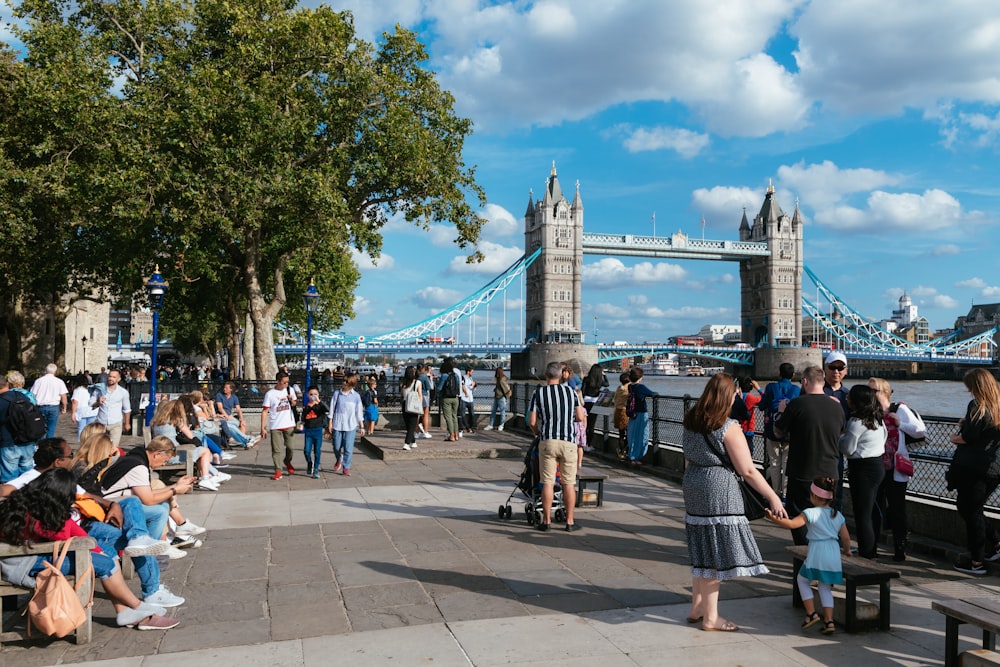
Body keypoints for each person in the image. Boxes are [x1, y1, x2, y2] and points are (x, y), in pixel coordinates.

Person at [0, 468, 180, 630]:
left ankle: (126, 611)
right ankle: (136, 607)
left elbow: (71, 529)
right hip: (21, 564)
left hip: (34, 554)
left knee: (104, 555)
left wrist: (95, 548)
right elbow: (63, 536)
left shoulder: (34, 503)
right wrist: (93, 550)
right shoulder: (34, 514)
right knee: (104, 562)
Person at [682, 372, 785, 632]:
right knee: (715, 555)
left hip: (693, 481)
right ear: (729, 396)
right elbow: (748, 470)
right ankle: (711, 617)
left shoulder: (691, 420)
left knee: (702, 548)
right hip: (718, 487)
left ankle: (696, 608)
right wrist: (773, 496)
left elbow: (687, 458)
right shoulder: (728, 427)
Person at [765, 477, 851, 635]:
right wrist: (847, 550)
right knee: (825, 587)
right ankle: (829, 621)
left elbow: (792, 524)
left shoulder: (810, 513)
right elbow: (846, 538)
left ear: (815, 496)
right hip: (833, 552)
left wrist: (773, 518)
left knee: (802, 580)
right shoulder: (837, 514)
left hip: (817, 551)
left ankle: (811, 614)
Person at [774, 366, 846, 545]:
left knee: (798, 512)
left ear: (805, 382)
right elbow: (842, 432)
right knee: (826, 514)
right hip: (830, 471)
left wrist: (782, 411)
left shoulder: (797, 404)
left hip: (803, 471)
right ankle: (824, 551)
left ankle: (805, 552)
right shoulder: (837, 407)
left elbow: (778, 432)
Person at [948, 368, 1000, 575]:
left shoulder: (977, 405)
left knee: (970, 511)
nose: (968, 391)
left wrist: (954, 438)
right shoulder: (996, 406)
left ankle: (977, 562)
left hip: (973, 468)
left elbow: (968, 437)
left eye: (969, 386)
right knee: (972, 508)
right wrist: (967, 423)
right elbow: (985, 431)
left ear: (975, 386)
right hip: (994, 468)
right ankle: (995, 544)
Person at [869, 377, 925, 562]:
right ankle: (872, 546)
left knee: (897, 509)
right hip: (876, 468)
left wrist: (901, 423)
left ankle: (900, 548)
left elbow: (920, 431)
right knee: (875, 509)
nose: (870, 394)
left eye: (873, 390)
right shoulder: (871, 412)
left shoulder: (899, 408)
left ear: (884, 391)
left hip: (896, 469)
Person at [528, 361, 586, 532]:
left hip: (548, 441)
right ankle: (569, 521)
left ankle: (546, 521)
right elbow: (580, 417)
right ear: (562, 375)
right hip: (568, 442)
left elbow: (532, 421)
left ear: (546, 376)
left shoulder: (538, 393)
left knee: (547, 482)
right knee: (568, 483)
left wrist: (538, 432)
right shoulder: (571, 392)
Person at [838, 384, 886, 559]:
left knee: (862, 513)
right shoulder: (878, 419)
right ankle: (870, 548)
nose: (846, 398)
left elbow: (848, 449)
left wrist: (839, 437)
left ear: (857, 401)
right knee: (871, 509)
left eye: (849, 397)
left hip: (862, 469)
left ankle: (867, 553)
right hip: (877, 466)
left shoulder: (855, 422)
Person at [762, 362, 800, 498]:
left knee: (774, 463)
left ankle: (774, 494)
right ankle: (786, 495)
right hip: (790, 433)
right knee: (787, 464)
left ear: (779, 373)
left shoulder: (771, 387)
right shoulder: (796, 389)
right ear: (793, 375)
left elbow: (762, 405)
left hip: (772, 432)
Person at [823, 351, 850, 510]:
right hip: (817, 448)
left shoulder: (849, 396)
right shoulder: (816, 391)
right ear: (825, 368)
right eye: (832, 367)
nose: (836, 372)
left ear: (846, 371)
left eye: (840, 368)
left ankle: (836, 529)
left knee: (836, 490)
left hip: (836, 450)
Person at [0, 371, 39, 482]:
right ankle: (28, 496)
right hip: (27, 439)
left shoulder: (1, 401)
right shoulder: (23, 395)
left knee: (10, 477)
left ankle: (12, 497)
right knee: (27, 474)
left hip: (9, 443)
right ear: (7, 384)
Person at [261, 372, 297, 480]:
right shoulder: (270, 394)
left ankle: (287, 461)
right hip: (275, 424)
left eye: (287, 382)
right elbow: (265, 411)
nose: (286, 384)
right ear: (278, 381)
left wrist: (291, 400)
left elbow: (295, 403)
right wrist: (263, 427)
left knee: (291, 447)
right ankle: (278, 470)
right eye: (284, 382)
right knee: (276, 450)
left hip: (289, 423)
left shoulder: (290, 390)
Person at [328, 372, 363, 475]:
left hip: (350, 425)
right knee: (336, 446)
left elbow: (359, 411)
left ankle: (346, 466)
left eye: (346, 381)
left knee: (348, 448)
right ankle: (339, 458)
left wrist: (362, 426)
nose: (344, 383)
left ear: (351, 384)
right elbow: (331, 408)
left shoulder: (356, 396)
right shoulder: (337, 394)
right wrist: (330, 423)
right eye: (343, 380)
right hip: (338, 423)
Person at [215, 381, 259, 449]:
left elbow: (238, 409)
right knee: (230, 426)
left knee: (242, 424)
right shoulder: (219, 395)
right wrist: (227, 417)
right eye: (224, 387)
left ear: (231, 389)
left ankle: (244, 442)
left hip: (230, 416)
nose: (224, 389)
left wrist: (241, 419)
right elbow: (220, 408)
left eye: (226, 388)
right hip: (222, 416)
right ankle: (247, 440)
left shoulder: (234, 397)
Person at [94, 369, 132, 447]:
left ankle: (112, 459)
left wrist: (127, 423)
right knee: (100, 447)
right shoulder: (99, 390)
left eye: (114, 377)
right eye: (110, 376)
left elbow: (127, 409)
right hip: (101, 422)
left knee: (113, 447)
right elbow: (90, 403)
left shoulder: (123, 392)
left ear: (119, 379)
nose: (111, 378)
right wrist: (98, 402)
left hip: (116, 422)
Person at [625, 367, 655, 466]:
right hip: (641, 413)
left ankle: (631, 456)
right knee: (642, 435)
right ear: (640, 377)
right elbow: (652, 393)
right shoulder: (640, 387)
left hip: (633, 413)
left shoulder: (630, 387)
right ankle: (638, 457)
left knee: (632, 434)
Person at [30, 363, 68, 439]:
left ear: (45, 371)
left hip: (40, 407)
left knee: (40, 428)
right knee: (51, 428)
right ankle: (48, 445)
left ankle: (40, 445)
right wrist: (64, 408)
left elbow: (32, 394)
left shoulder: (39, 381)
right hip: (53, 407)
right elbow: (63, 396)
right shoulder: (59, 382)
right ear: (55, 371)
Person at [301, 386, 329, 478]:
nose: (313, 396)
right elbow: (304, 417)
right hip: (308, 431)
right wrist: (302, 424)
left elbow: (327, 409)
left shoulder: (320, 406)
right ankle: (309, 463)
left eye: (315, 394)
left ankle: (316, 469)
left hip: (318, 430)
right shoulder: (306, 406)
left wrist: (318, 401)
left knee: (317, 451)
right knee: (306, 451)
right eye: (311, 394)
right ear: (307, 395)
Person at [437, 358, 462, 442]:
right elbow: (458, 386)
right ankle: (456, 435)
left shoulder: (444, 375)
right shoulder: (456, 375)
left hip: (446, 398)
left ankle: (451, 436)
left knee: (448, 417)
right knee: (454, 416)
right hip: (455, 398)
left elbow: (439, 388)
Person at [581, 364, 607, 445]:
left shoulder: (586, 379)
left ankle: (582, 442)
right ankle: (589, 443)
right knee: (592, 424)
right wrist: (604, 376)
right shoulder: (600, 381)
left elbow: (583, 391)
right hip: (595, 403)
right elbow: (607, 384)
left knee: (584, 423)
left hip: (586, 402)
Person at [70, 374, 99, 441]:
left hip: (81, 412)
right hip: (92, 411)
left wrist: (73, 413)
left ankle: (82, 444)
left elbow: (75, 402)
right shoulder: (90, 389)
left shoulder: (77, 390)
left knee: (82, 429)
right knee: (91, 430)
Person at [400, 366, 423, 451]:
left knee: (408, 425)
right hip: (413, 405)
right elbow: (420, 395)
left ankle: (413, 442)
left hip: (405, 404)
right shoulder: (418, 382)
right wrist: (420, 407)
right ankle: (406, 443)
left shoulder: (403, 383)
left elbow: (402, 394)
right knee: (412, 425)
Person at [738, 377, 762, 455]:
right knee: (748, 451)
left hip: (737, 428)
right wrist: (758, 388)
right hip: (748, 429)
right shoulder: (750, 398)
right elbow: (765, 398)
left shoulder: (736, 396)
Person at [485, 367, 511, 431]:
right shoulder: (500, 379)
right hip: (498, 397)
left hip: (501, 397)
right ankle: (491, 425)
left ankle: (501, 425)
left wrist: (506, 397)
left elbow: (506, 390)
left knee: (502, 412)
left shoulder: (501, 380)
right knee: (495, 411)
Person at [612, 372, 631, 459]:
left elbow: (615, 399)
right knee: (629, 432)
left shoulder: (619, 388)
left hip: (617, 411)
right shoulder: (629, 389)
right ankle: (625, 451)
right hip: (625, 412)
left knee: (621, 434)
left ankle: (621, 451)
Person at [417, 365, 433, 438]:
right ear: (423, 369)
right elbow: (429, 387)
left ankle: (416, 431)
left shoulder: (416, 376)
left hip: (417, 395)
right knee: (426, 414)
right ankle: (425, 431)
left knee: (417, 414)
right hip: (424, 395)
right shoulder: (424, 377)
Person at [460, 366, 477, 433]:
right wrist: (466, 392)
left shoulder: (471, 378)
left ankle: (471, 427)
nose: (473, 373)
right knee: (463, 414)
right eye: (472, 372)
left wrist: (474, 385)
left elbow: (471, 388)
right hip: (464, 398)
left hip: (470, 398)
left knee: (472, 414)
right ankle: (467, 427)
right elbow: (462, 386)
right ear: (468, 371)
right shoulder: (463, 377)